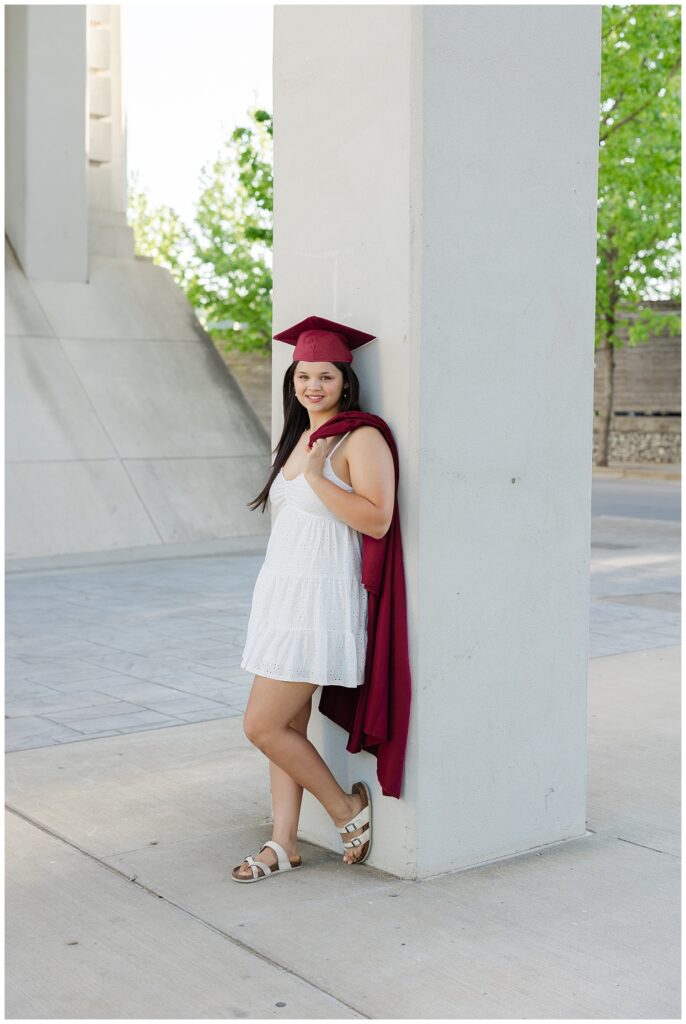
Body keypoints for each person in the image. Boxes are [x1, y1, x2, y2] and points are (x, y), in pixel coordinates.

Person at [232, 315, 396, 883]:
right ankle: (284, 844)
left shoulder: (360, 438)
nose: (313, 387)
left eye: (325, 376)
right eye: (304, 376)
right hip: (281, 598)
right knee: (287, 730)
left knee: (262, 726)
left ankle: (345, 808)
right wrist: (307, 462)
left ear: (345, 382)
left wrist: (320, 475)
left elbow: (377, 520)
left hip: (320, 602)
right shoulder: (298, 437)